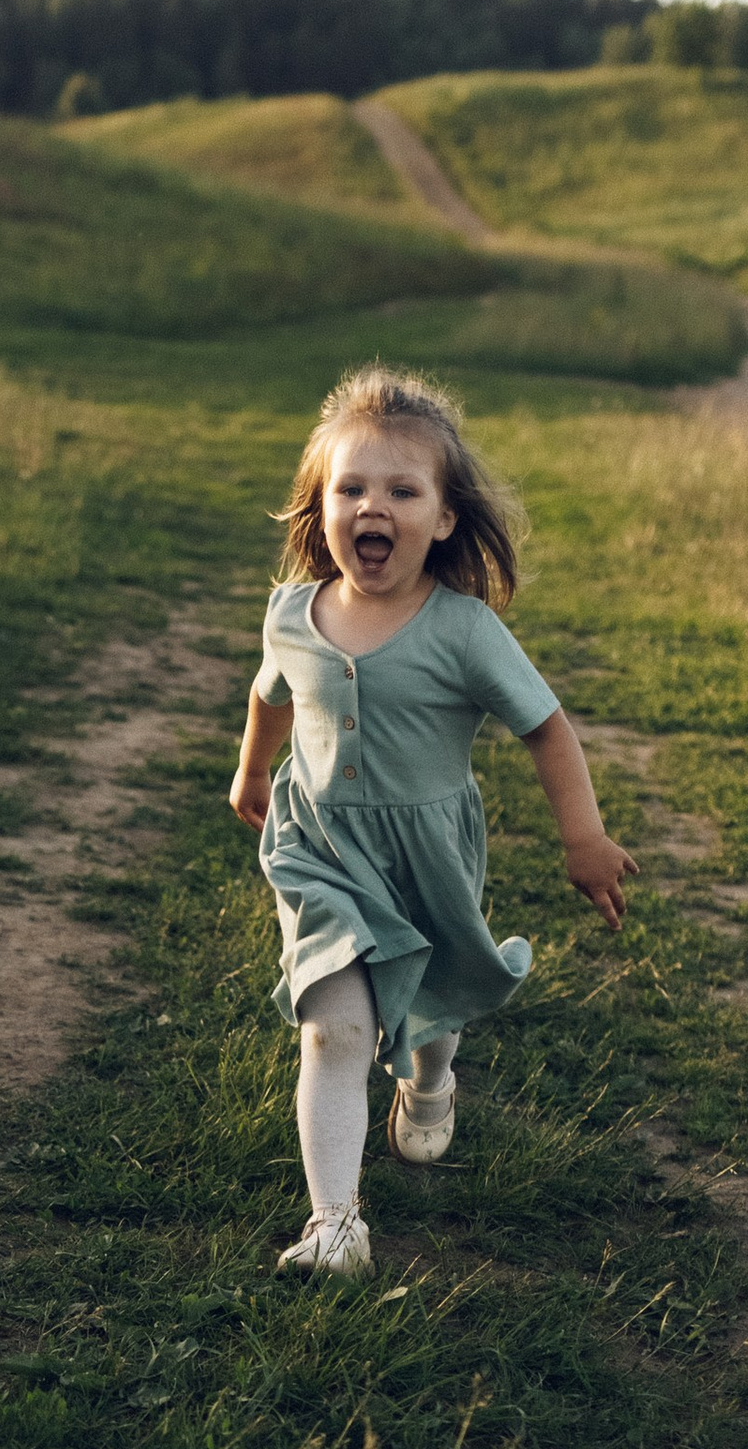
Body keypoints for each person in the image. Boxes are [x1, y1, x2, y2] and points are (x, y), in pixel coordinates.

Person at [226, 365, 637, 1274]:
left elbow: (546, 728)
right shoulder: (292, 614)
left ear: (445, 519)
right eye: (351, 489)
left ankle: (432, 1078)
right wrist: (252, 771)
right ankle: (336, 1226)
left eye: (402, 491)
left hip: (428, 855)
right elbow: (269, 696)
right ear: (320, 508)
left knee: (430, 1001)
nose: (373, 507)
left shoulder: (465, 630)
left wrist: (583, 838)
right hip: (320, 850)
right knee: (334, 1026)